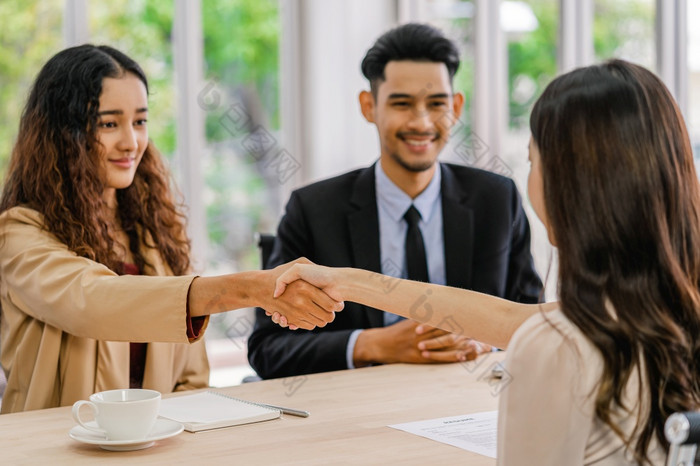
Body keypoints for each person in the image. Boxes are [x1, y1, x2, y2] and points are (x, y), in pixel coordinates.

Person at [273, 59, 700, 464]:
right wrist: (350, 283)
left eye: (533, 161)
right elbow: (518, 318)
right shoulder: (665, 306)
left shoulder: (556, 345)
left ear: (567, 186)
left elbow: (540, 332)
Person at [0, 44, 342, 414]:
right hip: (53, 447)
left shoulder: (153, 233)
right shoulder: (18, 233)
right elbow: (93, 300)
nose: (131, 142)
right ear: (63, 132)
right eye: (109, 123)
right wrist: (250, 289)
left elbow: (192, 377)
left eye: (140, 121)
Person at [247, 23, 542, 379]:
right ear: (368, 106)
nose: (421, 122)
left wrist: (487, 340)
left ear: (457, 107)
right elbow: (268, 349)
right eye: (402, 103)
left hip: (468, 403)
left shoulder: (497, 198)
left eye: (437, 104)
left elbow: (536, 324)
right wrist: (376, 344)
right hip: (361, 411)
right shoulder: (313, 209)